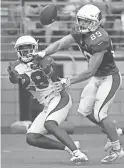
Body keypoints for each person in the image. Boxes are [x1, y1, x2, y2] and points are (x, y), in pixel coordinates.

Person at [29, 4, 124, 163]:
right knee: (85, 112)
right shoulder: (79, 32)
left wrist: (68, 81)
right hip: (97, 78)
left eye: (86, 21)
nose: (81, 24)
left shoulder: (100, 38)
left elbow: (90, 71)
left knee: (100, 113)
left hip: (109, 77)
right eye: (80, 20)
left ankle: (117, 148)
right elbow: (60, 43)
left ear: (95, 22)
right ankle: (114, 131)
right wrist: (43, 52)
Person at [7, 35, 88, 164]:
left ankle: (78, 153)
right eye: (23, 49)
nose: (26, 52)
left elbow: (52, 73)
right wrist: (12, 75)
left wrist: (44, 68)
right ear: (18, 51)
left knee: (50, 124)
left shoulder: (44, 59)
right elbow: (15, 80)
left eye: (28, 49)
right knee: (31, 137)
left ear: (35, 49)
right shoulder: (15, 66)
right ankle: (69, 146)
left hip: (59, 98)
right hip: (47, 104)